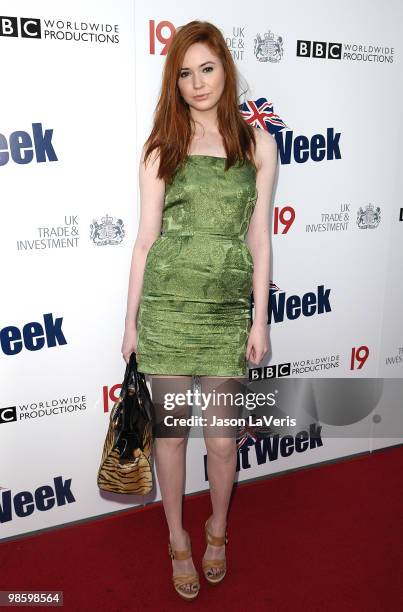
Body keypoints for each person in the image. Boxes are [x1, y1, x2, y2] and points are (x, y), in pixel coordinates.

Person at [122, 20, 277, 601]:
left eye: (206, 68)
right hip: (167, 309)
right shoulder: (161, 145)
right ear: (175, 81)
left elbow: (260, 240)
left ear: (226, 69)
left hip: (224, 313)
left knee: (220, 441)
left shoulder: (257, 143)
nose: (197, 82)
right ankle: (177, 538)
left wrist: (259, 319)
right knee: (171, 437)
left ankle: (217, 528)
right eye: (184, 73)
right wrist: (133, 322)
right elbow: (144, 241)